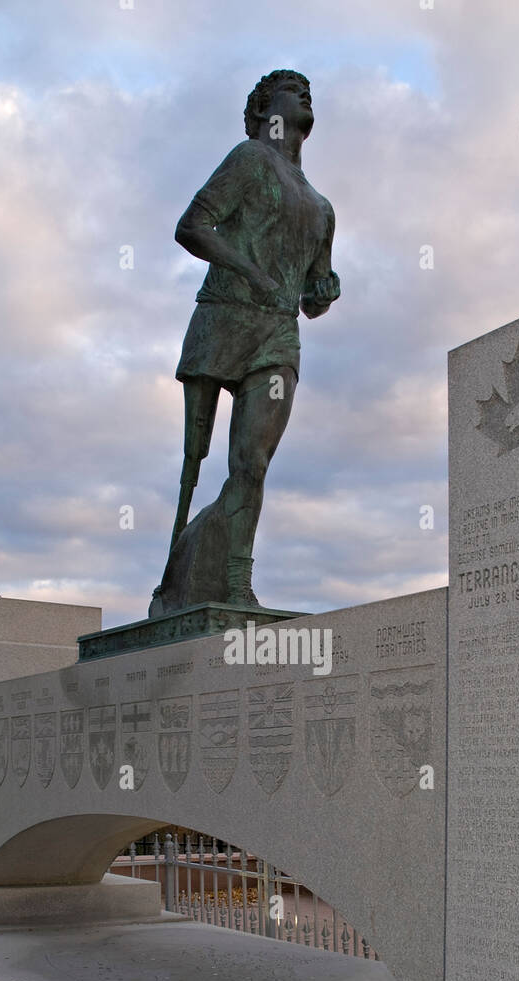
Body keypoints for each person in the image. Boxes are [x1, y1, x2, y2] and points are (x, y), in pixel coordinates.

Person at [149, 69, 340, 615]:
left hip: (278, 334)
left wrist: (325, 290)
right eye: (291, 89)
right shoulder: (249, 159)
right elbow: (192, 225)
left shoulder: (322, 207)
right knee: (194, 460)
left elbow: (312, 297)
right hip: (224, 319)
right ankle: (173, 583)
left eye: (308, 91)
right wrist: (249, 269)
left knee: (251, 460)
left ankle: (237, 583)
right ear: (264, 110)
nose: (304, 94)